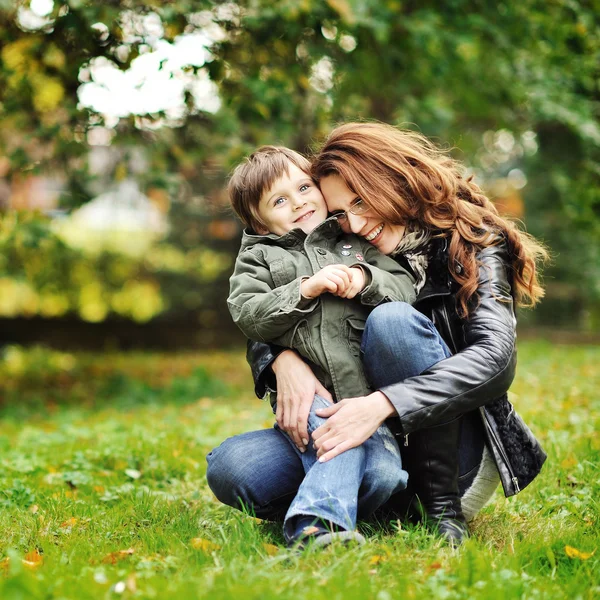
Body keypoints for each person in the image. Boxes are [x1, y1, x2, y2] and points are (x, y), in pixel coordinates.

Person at [207, 123, 548, 545]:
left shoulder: (475, 243)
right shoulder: (339, 245)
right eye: (341, 211)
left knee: (392, 322)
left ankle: (439, 508)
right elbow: (260, 308)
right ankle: (358, 499)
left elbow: (494, 360)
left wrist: (382, 405)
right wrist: (281, 360)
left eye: (360, 202)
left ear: (392, 182)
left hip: (450, 455)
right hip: (363, 437)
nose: (355, 222)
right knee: (234, 465)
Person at [224, 145, 416, 547]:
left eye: (304, 187)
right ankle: (316, 527)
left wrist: (366, 280)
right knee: (335, 442)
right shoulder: (259, 257)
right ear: (259, 222)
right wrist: (304, 288)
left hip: (365, 397)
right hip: (312, 396)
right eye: (279, 200)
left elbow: (404, 288)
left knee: (384, 476)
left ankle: (334, 498)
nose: (299, 203)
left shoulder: (353, 244)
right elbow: (248, 313)